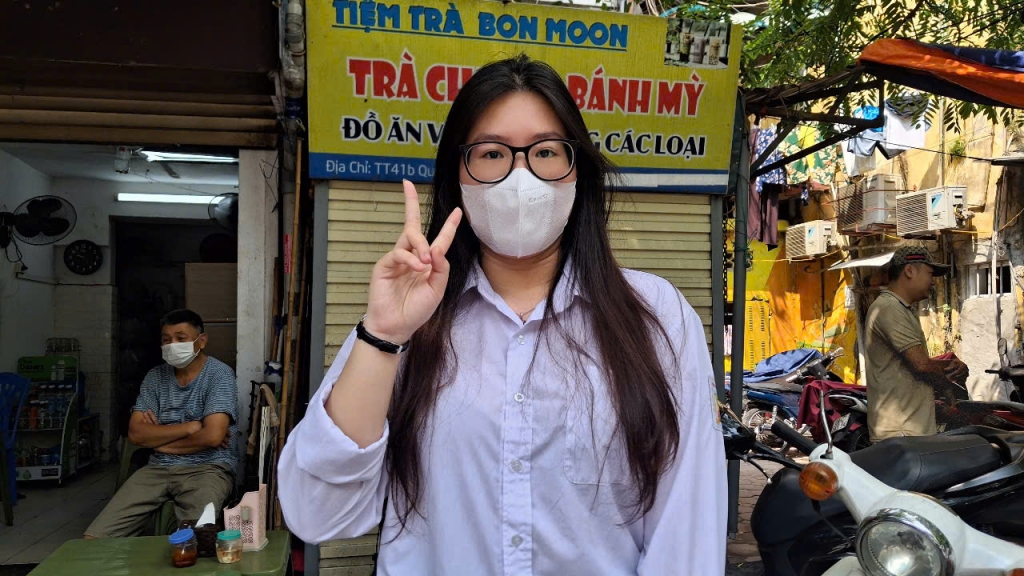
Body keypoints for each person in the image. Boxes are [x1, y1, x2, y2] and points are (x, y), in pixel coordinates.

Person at [278, 55, 726, 575]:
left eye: (546, 151)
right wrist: (384, 334)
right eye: (492, 153)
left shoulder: (656, 315)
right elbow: (317, 513)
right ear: (458, 175)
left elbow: (686, 531)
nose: (520, 176)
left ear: (577, 170)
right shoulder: (410, 318)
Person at [84, 309, 238, 538]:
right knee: (95, 537)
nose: (172, 345)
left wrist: (159, 442)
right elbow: (136, 433)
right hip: (156, 469)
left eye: (181, 338)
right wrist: (190, 427)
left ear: (201, 341)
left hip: (207, 469)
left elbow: (213, 436)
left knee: (195, 539)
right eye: (166, 340)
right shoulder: (155, 377)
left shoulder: (219, 375)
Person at [866, 246, 969, 441]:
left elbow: (915, 369)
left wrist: (945, 387)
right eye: (930, 273)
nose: (933, 281)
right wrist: (954, 367)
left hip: (909, 430)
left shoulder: (900, 308)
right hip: (901, 433)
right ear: (910, 271)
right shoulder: (889, 308)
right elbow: (921, 365)